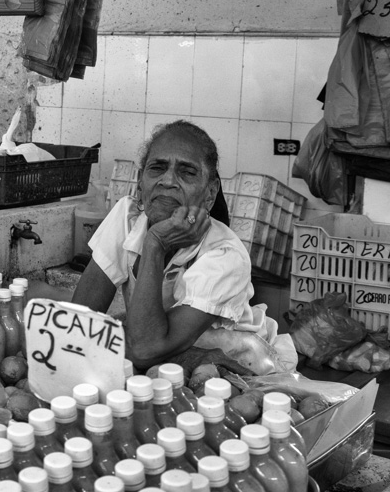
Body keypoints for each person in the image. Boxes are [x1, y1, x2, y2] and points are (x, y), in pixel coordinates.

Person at [69, 120, 296, 373]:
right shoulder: (126, 217)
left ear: (210, 193)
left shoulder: (225, 254)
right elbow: (79, 319)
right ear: (140, 183)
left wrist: (155, 243)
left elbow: (144, 350)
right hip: (170, 362)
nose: (168, 181)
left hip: (244, 366)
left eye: (187, 172)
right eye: (157, 168)